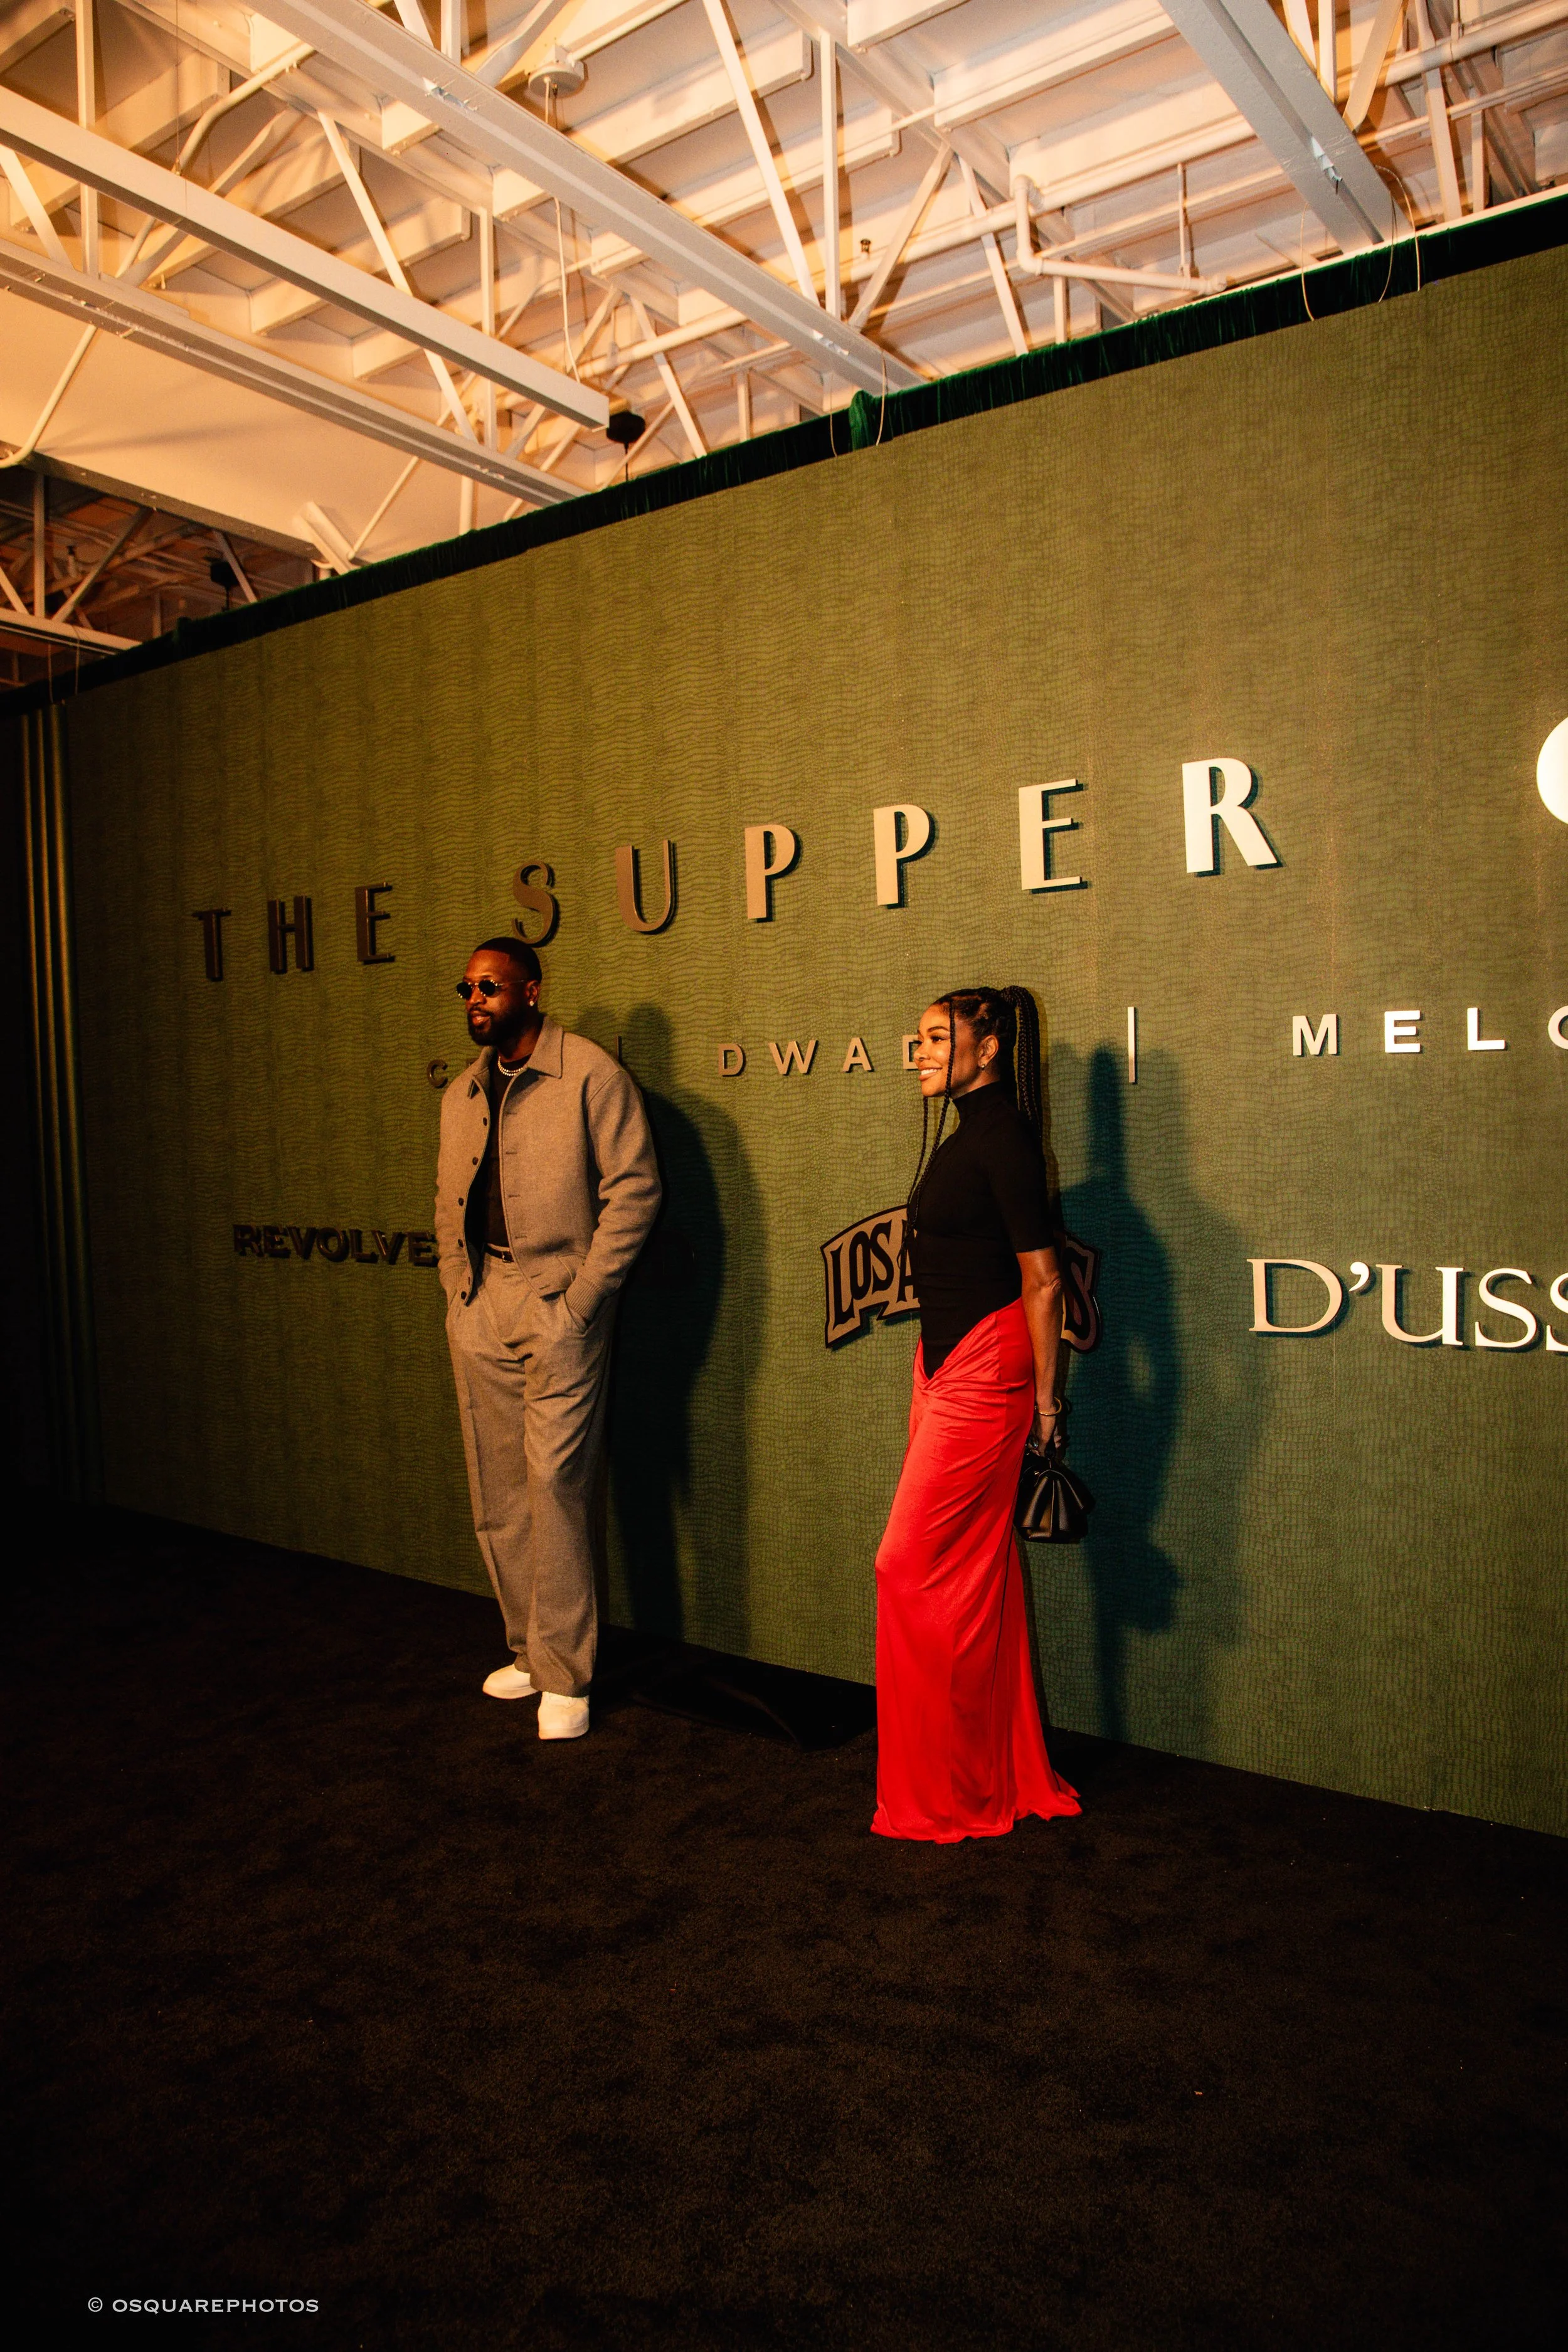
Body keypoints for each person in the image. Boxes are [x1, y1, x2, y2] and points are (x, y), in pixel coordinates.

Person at [436, 939, 660, 1740]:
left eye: (490, 986)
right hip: (481, 1300)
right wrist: (457, 1292)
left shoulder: (590, 1074)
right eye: (467, 987)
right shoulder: (463, 1090)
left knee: (556, 1489)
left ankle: (567, 1675)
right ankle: (530, 1651)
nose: (475, 998)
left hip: (557, 1304)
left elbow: (635, 1192)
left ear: (531, 991)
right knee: (497, 1491)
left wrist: (583, 1300)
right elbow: (444, 1197)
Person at [872, 986, 1082, 1841]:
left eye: (935, 1036)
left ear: (988, 1045)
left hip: (985, 1375)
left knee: (906, 1567)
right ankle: (975, 1777)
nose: (916, 1048)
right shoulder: (970, 1133)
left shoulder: (1005, 1140)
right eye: (917, 1034)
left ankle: (950, 1784)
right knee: (973, 1572)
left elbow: (1044, 1277)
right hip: (946, 1368)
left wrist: (1046, 1402)